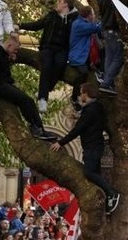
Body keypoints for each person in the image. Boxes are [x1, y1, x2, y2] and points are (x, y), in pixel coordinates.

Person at [49, 83, 120, 214]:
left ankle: (112, 193)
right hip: (95, 144)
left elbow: (78, 129)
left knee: (89, 173)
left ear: (86, 93)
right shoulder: (96, 108)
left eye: (81, 92)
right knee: (95, 174)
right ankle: (105, 199)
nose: (80, 95)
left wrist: (61, 143)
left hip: (92, 146)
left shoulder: (91, 110)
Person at [0, 36, 57, 140]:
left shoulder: (4, 56)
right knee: (25, 100)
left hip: (4, 84)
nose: (15, 52)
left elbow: (2, 71)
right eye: (15, 50)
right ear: (9, 45)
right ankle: (36, 128)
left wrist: (10, 60)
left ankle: (38, 127)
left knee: (28, 101)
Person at [16, 0, 78, 113]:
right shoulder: (51, 15)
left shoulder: (74, 18)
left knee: (60, 65)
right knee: (47, 67)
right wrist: (20, 25)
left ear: (65, 4)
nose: (57, 3)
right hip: (47, 48)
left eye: (59, 1)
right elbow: (37, 25)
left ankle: (45, 88)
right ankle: (42, 99)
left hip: (62, 50)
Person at [67, 5, 101, 110]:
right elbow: (96, 28)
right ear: (89, 15)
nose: (94, 16)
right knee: (83, 73)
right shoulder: (80, 25)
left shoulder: (82, 23)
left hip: (84, 57)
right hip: (77, 57)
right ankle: (74, 97)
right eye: (93, 14)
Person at [96, 0, 122, 95]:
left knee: (109, 58)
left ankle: (107, 82)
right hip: (114, 28)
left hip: (106, 29)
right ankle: (107, 83)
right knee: (117, 58)